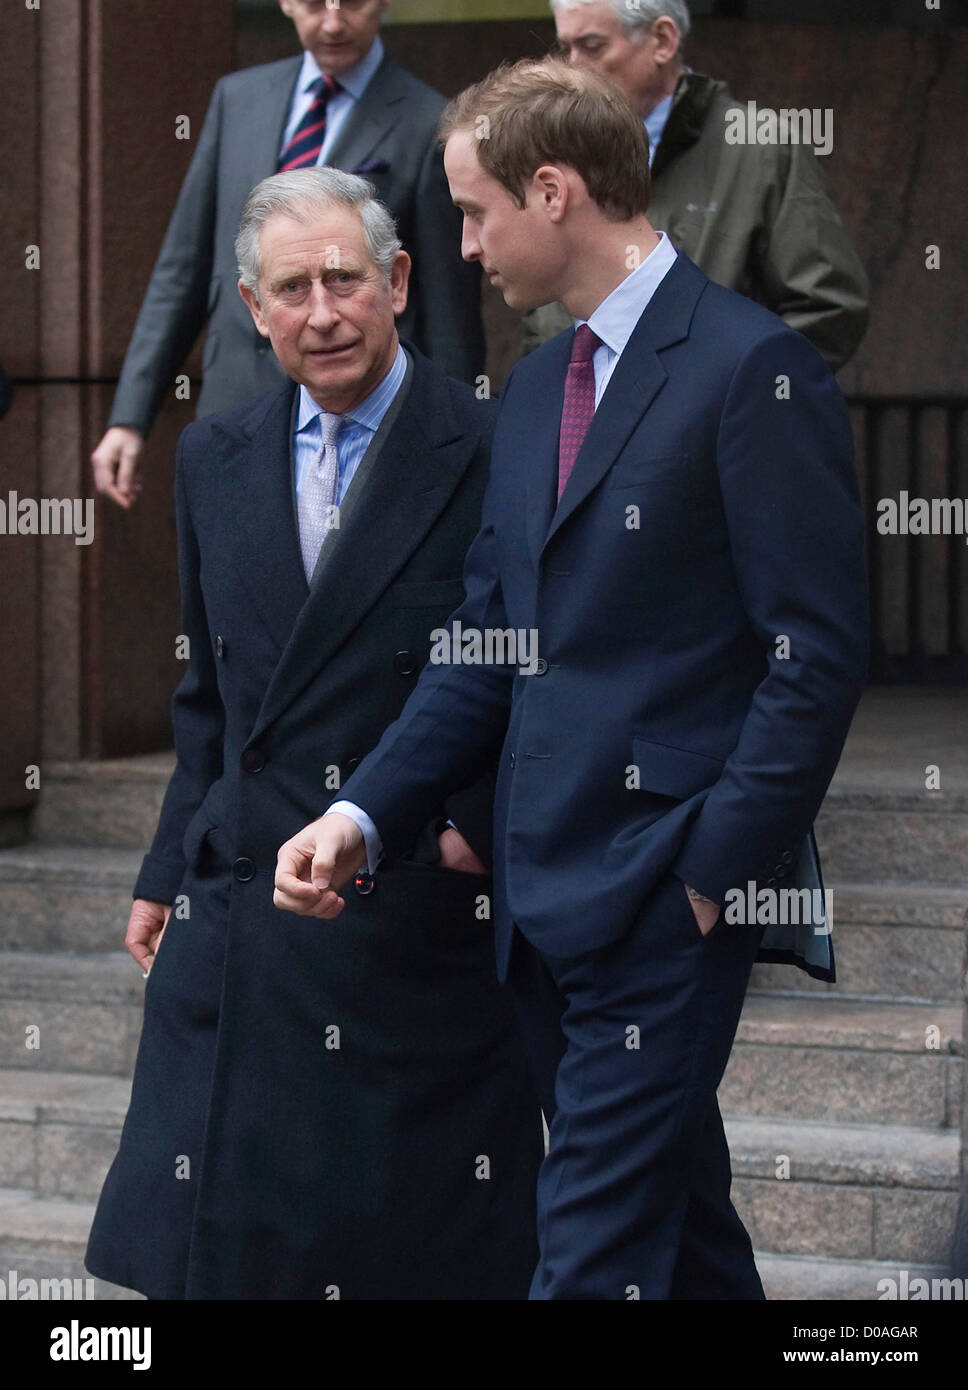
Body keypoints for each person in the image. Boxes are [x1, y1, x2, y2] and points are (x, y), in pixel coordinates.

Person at [274, 59, 870, 1300]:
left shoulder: (752, 367)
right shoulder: (539, 382)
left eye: (475, 210)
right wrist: (359, 809)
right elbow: (488, 643)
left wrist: (709, 877)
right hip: (541, 908)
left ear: (551, 192)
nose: (465, 246)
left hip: (662, 900)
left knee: (588, 1257)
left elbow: (809, 659)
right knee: (684, 1240)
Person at [84, 168, 541, 1300]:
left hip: (403, 913)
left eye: (344, 279)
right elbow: (214, 701)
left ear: (395, 282)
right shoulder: (212, 455)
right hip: (237, 902)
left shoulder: (489, 444)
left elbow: (524, 668)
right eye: (291, 288)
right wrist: (162, 868)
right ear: (252, 308)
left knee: (394, 1254)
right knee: (208, 1250)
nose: (322, 311)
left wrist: (464, 836)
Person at [91, 0, 483, 510]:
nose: (334, 23)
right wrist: (130, 416)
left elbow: (450, 313)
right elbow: (183, 266)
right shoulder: (237, 98)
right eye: (316, 3)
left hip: (366, 426)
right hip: (233, 409)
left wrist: (454, 442)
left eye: (354, 3)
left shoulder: (427, 120)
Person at [521, 0, 868, 370]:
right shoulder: (556, 153)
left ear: (663, 40)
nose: (574, 66)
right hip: (583, 421)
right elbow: (541, 318)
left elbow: (828, 310)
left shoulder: (762, 150)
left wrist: (719, 398)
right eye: (565, 48)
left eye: (592, 47)